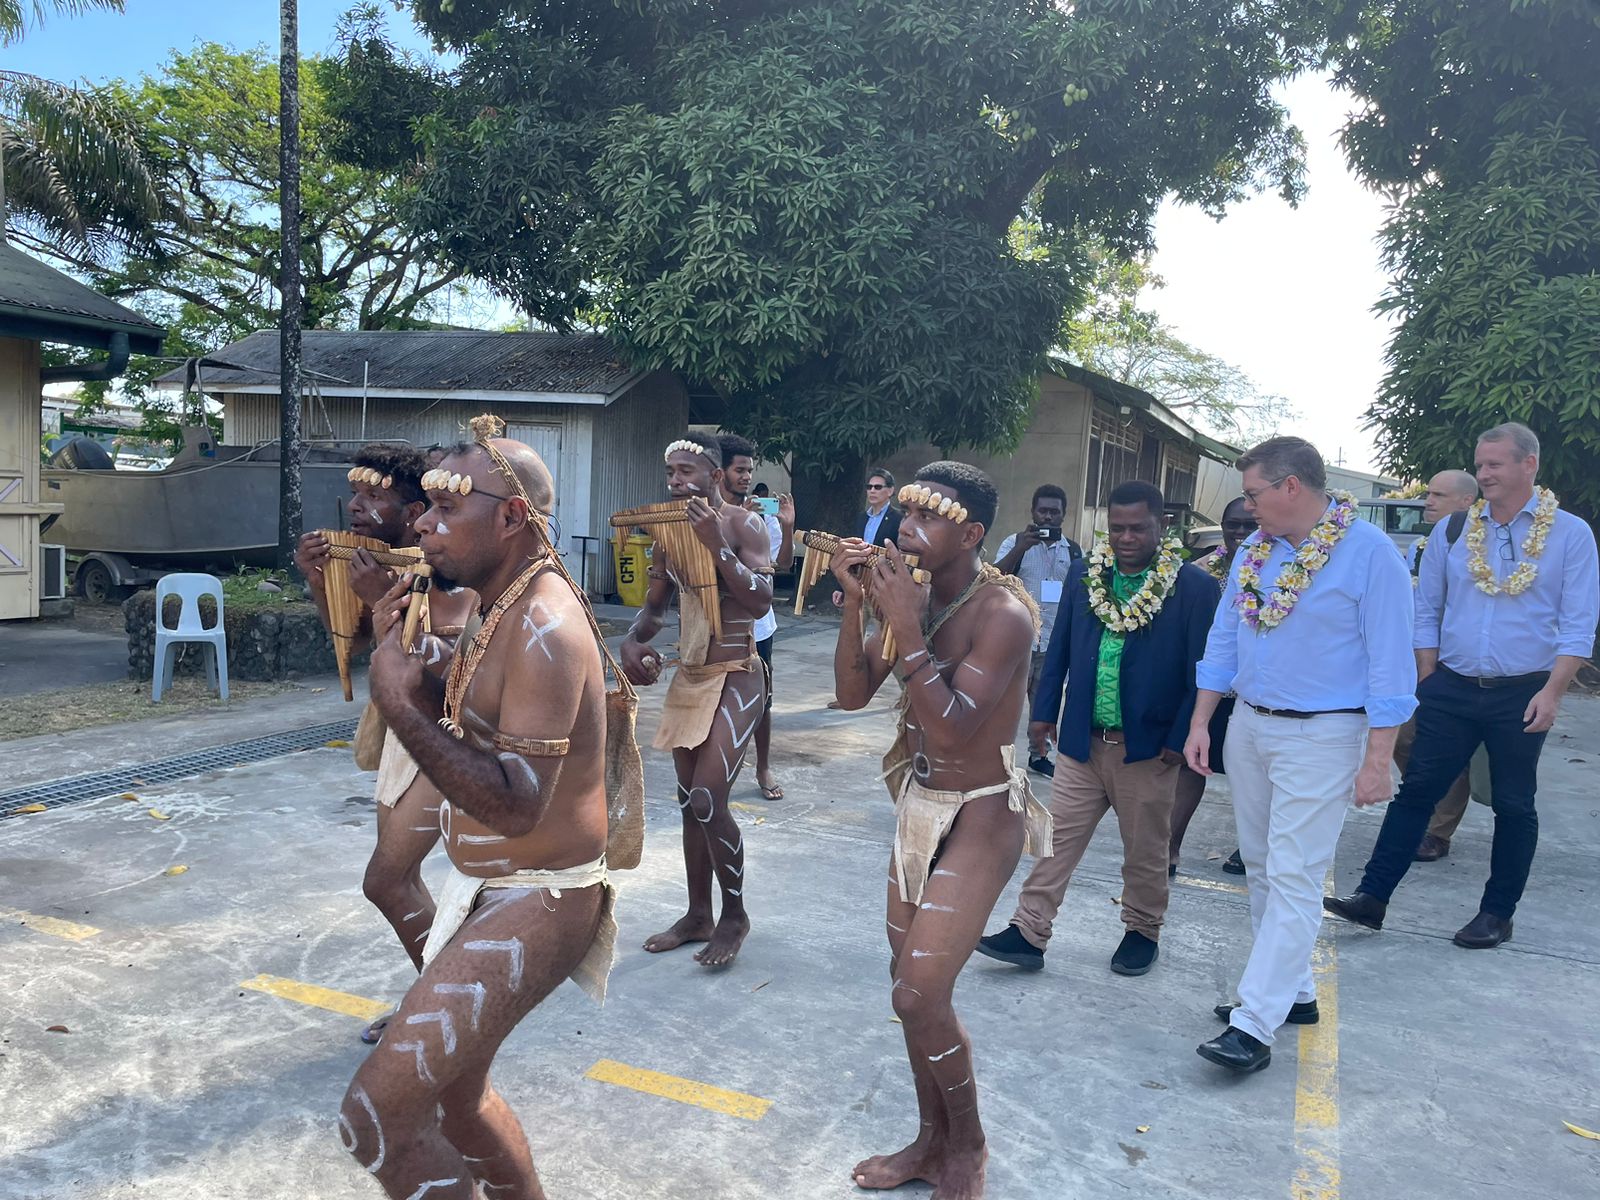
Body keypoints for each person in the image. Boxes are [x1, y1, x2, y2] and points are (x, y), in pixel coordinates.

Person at [341, 415, 622, 1200]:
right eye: (424, 507)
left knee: (374, 1117)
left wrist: (401, 704)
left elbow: (515, 807)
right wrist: (408, 659)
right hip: (488, 892)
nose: (423, 524)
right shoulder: (501, 602)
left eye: (445, 508)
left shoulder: (543, 624)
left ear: (510, 517)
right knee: (457, 1103)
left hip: (540, 897)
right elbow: (473, 716)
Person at [831, 462, 1051, 1200]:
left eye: (927, 518)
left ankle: (971, 1146)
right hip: (922, 809)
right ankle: (931, 1141)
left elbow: (956, 731)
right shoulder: (914, 598)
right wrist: (858, 608)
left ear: (974, 534)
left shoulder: (1004, 615)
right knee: (910, 992)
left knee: (920, 995)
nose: (906, 530)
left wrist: (902, 624)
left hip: (985, 810)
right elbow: (851, 693)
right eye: (903, 516)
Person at [1183, 436, 1416, 1073]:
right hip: (1251, 726)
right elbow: (1223, 640)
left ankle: (1254, 1022)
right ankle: (1297, 992)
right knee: (1260, 865)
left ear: (1291, 487)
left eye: (1254, 493)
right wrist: (1203, 720)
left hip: (1326, 734)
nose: (1247, 507)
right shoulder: (1254, 552)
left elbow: (1392, 665)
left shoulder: (1370, 555)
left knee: (1294, 874)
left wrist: (1378, 759)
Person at [1325, 423, 1598, 948]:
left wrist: (1554, 691)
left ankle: (1497, 913)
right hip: (1450, 685)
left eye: (1496, 464)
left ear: (1529, 466)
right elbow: (1425, 608)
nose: (1485, 473)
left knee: (1515, 804)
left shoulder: (1569, 533)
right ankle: (1372, 898)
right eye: (1480, 463)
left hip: (1524, 690)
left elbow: (1579, 621)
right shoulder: (1454, 531)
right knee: (1417, 793)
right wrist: (1427, 674)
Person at [976, 481, 1214, 977]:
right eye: (1119, 528)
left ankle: (1141, 931)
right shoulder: (1088, 573)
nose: (1126, 538)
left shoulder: (1192, 586)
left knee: (1145, 851)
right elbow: (1060, 644)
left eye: (1138, 528)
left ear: (1161, 525)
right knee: (1053, 841)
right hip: (1083, 740)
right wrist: (1043, 713)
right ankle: (1028, 930)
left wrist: (1178, 738)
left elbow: (1203, 670)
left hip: (1147, 749)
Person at [294, 443, 477, 1044]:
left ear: (418, 509)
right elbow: (345, 644)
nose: (357, 506)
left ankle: (442, 1002)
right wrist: (321, 579)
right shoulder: (371, 563)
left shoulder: (448, 566)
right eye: (356, 494)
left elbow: (447, 662)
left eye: (377, 496)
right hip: (403, 733)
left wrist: (382, 604)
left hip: (446, 732)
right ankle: (438, 1000)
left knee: (386, 880)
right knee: (399, 878)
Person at [621, 435, 773, 967]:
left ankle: (734, 916)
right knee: (690, 806)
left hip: (738, 672)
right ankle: (697, 915)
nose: (676, 482)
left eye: (687, 470)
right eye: (670, 473)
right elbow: (655, 613)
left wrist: (718, 546)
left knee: (709, 797)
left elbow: (758, 600)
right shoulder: (667, 537)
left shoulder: (743, 524)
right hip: (692, 674)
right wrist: (634, 641)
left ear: (713, 474)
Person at [1169, 496, 1257, 877]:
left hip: (1251, 694)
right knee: (1189, 769)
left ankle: (1250, 846)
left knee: (1250, 776)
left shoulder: (1280, 567)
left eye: (1247, 525)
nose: (1239, 532)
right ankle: (1169, 847)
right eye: (1231, 524)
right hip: (1208, 690)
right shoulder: (1200, 571)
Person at [1401, 469, 1480, 861]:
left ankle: (1437, 830)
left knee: (1453, 751)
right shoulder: (1426, 542)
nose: (1428, 501)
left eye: (1439, 495)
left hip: (1455, 665)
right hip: (1415, 657)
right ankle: (1426, 806)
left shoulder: (1474, 540)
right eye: (1428, 494)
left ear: (1466, 502)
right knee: (1403, 738)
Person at [716, 433, 796, 800]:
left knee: (762, 699)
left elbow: (779, 567)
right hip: (714, 626)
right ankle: (715, 766)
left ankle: (763, 767)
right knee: (714, 697)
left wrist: (787, 525)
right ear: (719, 473)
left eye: (750, 470)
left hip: (758, 628)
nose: (747, 476)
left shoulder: (763, 521)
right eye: (740, 470)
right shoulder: (706, 517)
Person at [993, 484, 1084, 777]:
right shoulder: (1014, 542)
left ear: (1063, 515)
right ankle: (995, 756)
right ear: (1033, 512)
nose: (1047, 517)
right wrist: (1022, 547)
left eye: (1054, 512)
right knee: (1005, 703)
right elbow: (994, 580)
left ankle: (1039, 756)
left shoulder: (1072, 550)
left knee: (1044, 704)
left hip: (1053, 642)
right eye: (1042, 511)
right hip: (1017, 640)